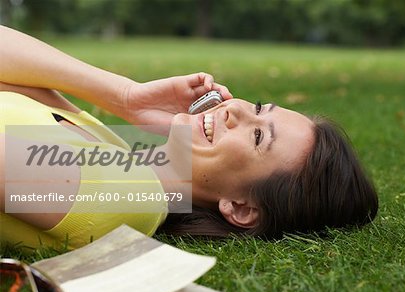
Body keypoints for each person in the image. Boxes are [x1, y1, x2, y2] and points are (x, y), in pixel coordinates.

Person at [0, 26, 378, 249]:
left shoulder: (127, 193)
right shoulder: (116, 156)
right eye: (260, 108)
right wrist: (125, 97)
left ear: (241, 208)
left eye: (258, 136)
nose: (238, 109)